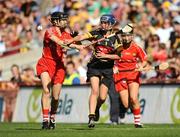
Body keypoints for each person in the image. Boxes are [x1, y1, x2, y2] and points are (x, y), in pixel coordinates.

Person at [66, 14, 122, 128]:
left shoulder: (116, 39)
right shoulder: (95, 33)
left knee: (102, 97)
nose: (103, 24)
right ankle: (91, 117)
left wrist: (105, 56)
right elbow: (81, 37)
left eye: (106, 23)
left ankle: (96, 108)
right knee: (94, 91)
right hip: (94, 66)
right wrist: (71, 39)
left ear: (111, 24)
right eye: (102, 22)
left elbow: (118, 56)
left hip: (107, 69)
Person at [96, 23, 149, 128]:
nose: (126, 38)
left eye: (128, 35)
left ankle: (137, 122)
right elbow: (112, 58)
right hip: (120, 76)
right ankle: (130, 113)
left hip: (133, 75)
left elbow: (144, 60)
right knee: (126, 104)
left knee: (134, 98)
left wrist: (141, 66)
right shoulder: (118, 47)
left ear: (132, 36)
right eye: (124, 35)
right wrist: (113, 66)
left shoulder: (136, 48)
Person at [36, 11, 81, 130]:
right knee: (46, 90)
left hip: (59, 66)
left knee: (55, 97)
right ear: (55, 21)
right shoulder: (49, 31)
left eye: (66, 19)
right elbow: (60, 41)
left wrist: (78, 45)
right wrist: (72, 44)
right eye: (63, 19)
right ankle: (45, 120)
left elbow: (74, 43)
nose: (65, 22)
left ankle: (52, 117)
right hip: (46, 63)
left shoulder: (66, 34)